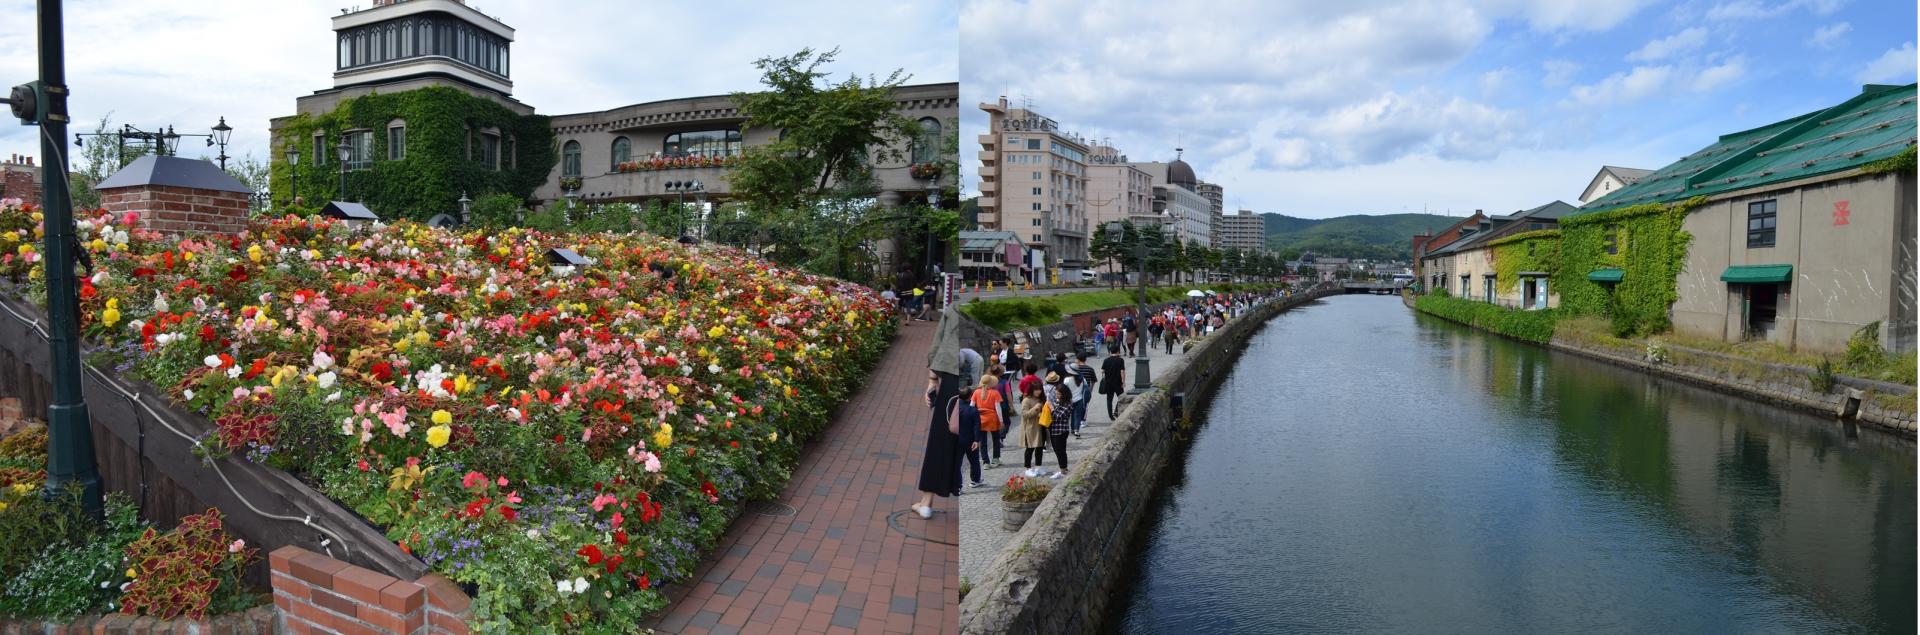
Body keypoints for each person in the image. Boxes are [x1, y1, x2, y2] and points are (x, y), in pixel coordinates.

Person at [914, 307, 964, 519]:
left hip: (953, 379)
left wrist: (932, 380)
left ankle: (926, 502)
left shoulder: (953, 309)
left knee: (942, 437)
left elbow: (939, 342)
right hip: (979, 379)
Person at [973, 372, 1006, 468]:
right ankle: (995, 459)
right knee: (996, 439)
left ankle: (985, 462)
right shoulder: (995, 393)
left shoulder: (976, 392)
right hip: (992, 418)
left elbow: (971, 406)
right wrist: (1001, 421)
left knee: (983, 441)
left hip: (980, 419)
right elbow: (998, 408)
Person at [1043, 372, 1072, 479]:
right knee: (1057, 450)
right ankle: (1063, 469)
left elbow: (1058, 416)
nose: (1057, 395)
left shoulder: (1068, 403)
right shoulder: (1058, 401)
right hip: (1054, 429)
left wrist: (1051, 408)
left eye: (1058, 394)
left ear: (1064, 394)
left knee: (1060, 451)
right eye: (1056, 393)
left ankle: (1063, 470)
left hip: (1061, 430)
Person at [1019, 382, 1049, 476]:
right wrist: (1035, 409)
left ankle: (1038, 467)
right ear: (1031, 390)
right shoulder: (1026, 400)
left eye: (1039, 389)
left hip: (1041, 426)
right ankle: (1027, 468)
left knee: (1040, 448)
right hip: (1031, 428)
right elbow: (1025, 414)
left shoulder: (1042, 399)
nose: (1038, 391)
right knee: (1030, 448)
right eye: (1036, 389)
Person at [957, 384, 984, 488]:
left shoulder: (956, 407)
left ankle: (958, 486)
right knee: (974, 461)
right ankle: (975, 480)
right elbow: (977, 426)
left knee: (957, 464)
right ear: (970, 396)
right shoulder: (973, 410)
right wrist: (976, 440)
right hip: (970, 440)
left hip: (957, 440)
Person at [1069, 352, 1096, 437]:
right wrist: (1090, 390)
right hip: (1085, 391)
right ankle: (1083, 420)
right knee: (1085, 405)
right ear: (1085, 359)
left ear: (1077, 359)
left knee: (1074, 411)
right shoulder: (1090, 369)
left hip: (1074, 392)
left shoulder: (1074, 369)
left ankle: (1074, 426)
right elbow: (1093, 381)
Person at [1100, 347, 1126, 418]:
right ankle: (1116, 412)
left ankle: (1110, 416)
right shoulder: (1120, 360)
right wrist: (1123, 382)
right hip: (1118, 382)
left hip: (1108, 383)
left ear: (1111, 352)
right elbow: (1122, 372)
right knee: (1122, 397)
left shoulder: (1106, 360)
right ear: (1118, 351)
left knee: (1109, 399)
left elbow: (1102, 370)